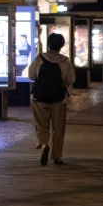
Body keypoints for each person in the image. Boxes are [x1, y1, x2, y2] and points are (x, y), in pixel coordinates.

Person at [27, 33, 76, 166]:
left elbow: (31, 75)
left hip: (39, 98)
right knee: (58, 127)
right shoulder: (65, 61)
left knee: (41, 125)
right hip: (59, 100)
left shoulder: (40, 58)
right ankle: (56, 156)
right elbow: (71, 79)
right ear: (61, 45)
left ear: (48, 44)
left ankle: (44, 145)